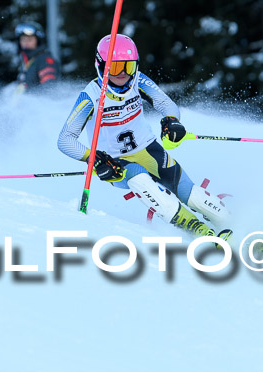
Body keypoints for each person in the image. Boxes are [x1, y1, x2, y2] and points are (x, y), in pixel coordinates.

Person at [57, 34, 233, 242]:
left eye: (128, 67)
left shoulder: (138, 81)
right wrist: (94, 158)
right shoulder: (90, 96)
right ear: (101, 66)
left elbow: (166, 104)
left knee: (193, 194)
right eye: (115, 68)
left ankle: (234, 225)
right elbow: (65, 140)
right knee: (142, 181)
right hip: (115, 163)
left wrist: (171, 120)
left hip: (149, 149)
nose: (123, 74)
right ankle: (198, 230)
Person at [15, 21, 59, 93]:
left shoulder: (45, 59)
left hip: (41, 102)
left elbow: (49, 85)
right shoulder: (25, 60)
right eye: (23, 39)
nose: (26, 42)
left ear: (38, 41)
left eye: (30, 39)